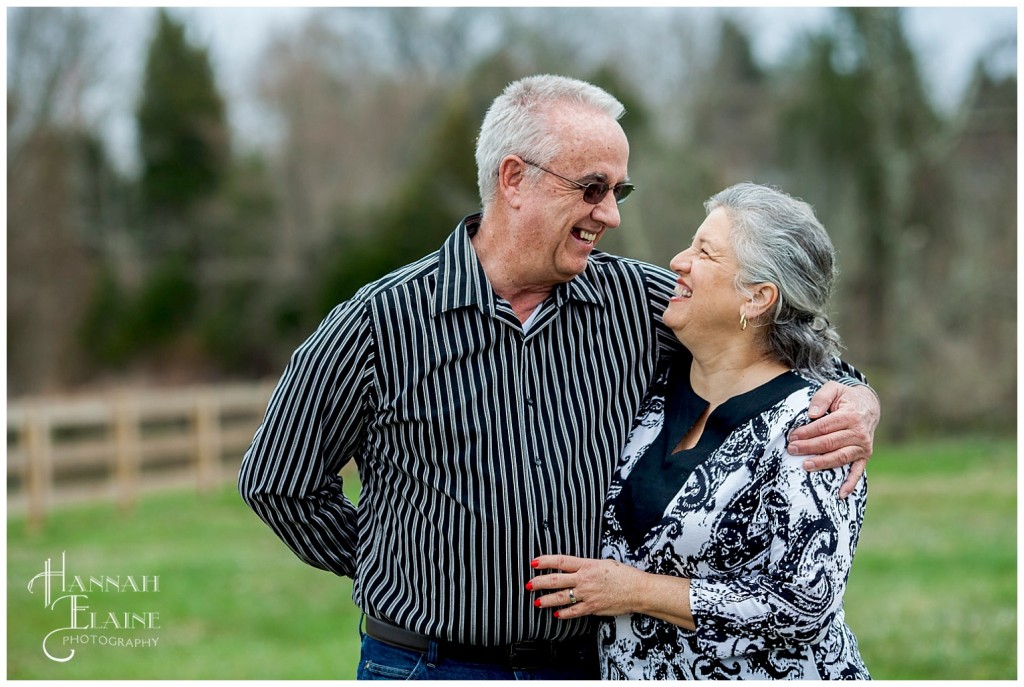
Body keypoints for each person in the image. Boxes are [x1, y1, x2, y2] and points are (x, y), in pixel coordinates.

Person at [238, 75, 880, 680]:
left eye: (619, 193)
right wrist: (390, 565)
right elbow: (278, 481)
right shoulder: (381, 322)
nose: (611, 215)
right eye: (593, 188)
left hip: (582, 663)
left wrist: (859, 399)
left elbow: (770, 345)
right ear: (514, 178)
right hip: (426, 665)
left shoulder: (636, 303)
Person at [528, 182, 871, 680]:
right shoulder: (651, 386)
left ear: (757, 298)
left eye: (705, 253)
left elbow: (803, 604)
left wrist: (633, 589)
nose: (678, 261)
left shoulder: (818, 423)